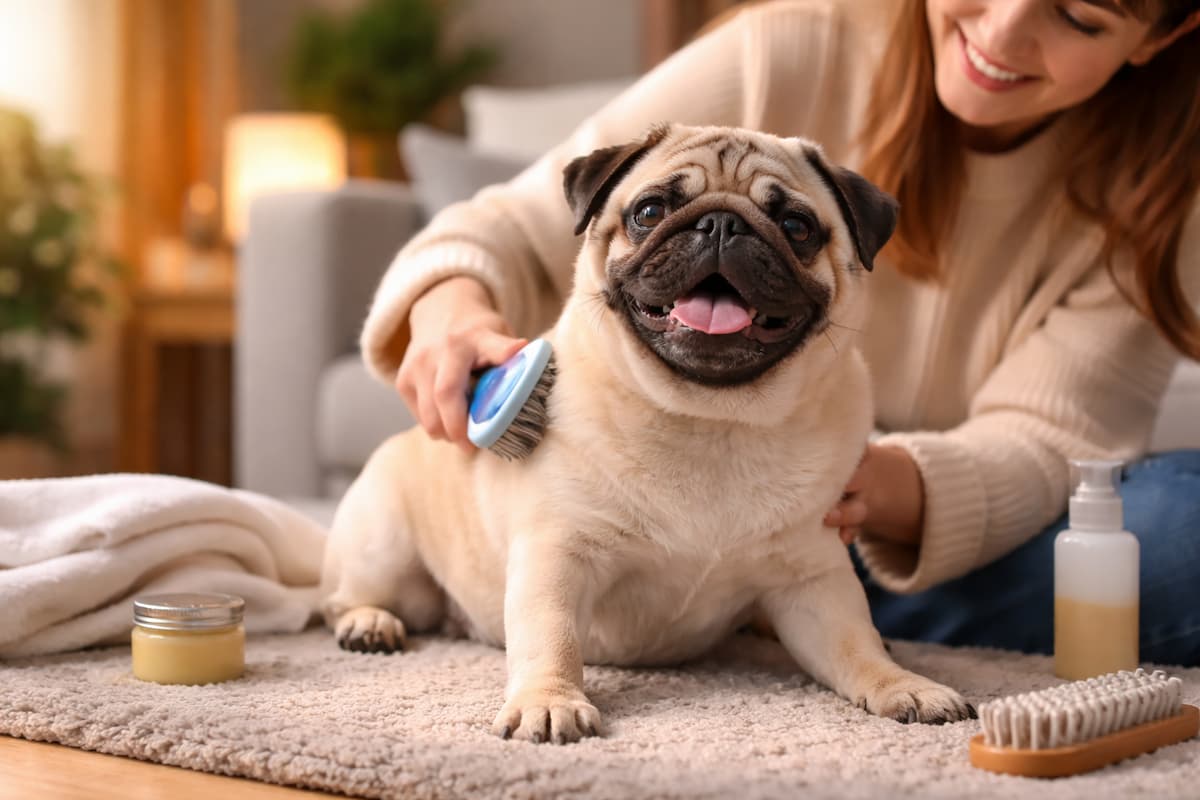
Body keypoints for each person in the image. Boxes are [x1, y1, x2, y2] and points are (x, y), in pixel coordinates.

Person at [356, 0, 1200, 666]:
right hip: (658, 504)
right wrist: (449, 307)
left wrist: (875, 485)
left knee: (1178, 526)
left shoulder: (1164, 192)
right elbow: (519, 222)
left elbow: (1056, 438)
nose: (1003, 26)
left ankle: (801, 621)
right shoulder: (787, 49)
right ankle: (738, 613)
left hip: (900, 538)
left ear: (1164, 33)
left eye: (1079, 15)